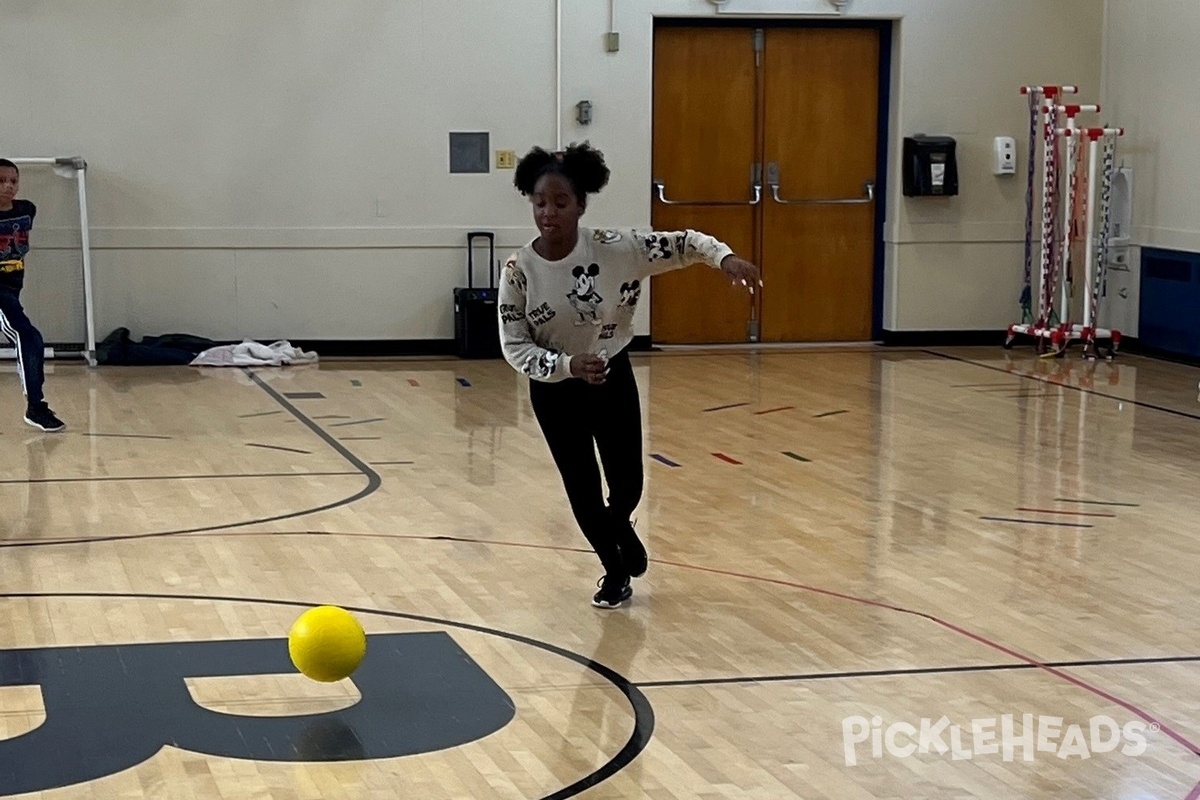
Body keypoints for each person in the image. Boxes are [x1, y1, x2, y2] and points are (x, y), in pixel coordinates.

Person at [498, 142, 759, 608]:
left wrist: (725, 259)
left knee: (629, 484)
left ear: (581, 204)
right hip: (555, 391)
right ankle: (614, 571)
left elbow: (684, 243)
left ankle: (619, 525)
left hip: (611, 377)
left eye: (561, 203)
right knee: (582, 486)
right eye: (540, 203)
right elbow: (514, 345)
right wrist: (566, 366)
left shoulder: (619, 249)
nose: (549, 213)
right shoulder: (519, 270)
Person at [0, 159, 65, 432]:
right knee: (27, 335)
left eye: (13, 181)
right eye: (1, 181)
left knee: (28, 337)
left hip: (13, 286)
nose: (8, 186)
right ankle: (36, 406)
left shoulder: (27, 210)